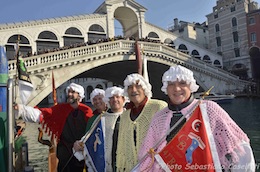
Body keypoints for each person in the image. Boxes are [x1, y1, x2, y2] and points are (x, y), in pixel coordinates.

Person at [138, 65, 256, 171]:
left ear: (191, 86)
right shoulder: (159, 118)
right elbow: (147, 156)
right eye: (171, 84)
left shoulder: (209, 109)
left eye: (182, 83)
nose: (177, 88)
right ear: (166, 89)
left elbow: (239, 147)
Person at [15, 83, 93, 172]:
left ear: (79, 96)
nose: (70, 94)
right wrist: (22, 109)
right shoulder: (61, 109)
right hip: (65, 151)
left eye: (73, 92)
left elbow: (91, 130)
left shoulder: (86, 110)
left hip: (81, 151)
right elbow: (43, 114)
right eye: (69, 92)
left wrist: (81, 143)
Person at [115, 73, 168, 171]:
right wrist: (120, 165)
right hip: (131, 167)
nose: (134, 90)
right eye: (130, 87)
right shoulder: (125, 115)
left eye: (138, 86)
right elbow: (121, 144)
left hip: (154, 166)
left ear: (145, 89)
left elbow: (166, 139)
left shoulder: (158, 107)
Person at [73, 86, 128, 171]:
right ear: (108, 100)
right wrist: (79, 144)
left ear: (123, 99)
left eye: (117, 97)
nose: (114, 100)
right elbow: (89, 137)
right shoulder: (100, 118)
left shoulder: (129, 116)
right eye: (111, 98)